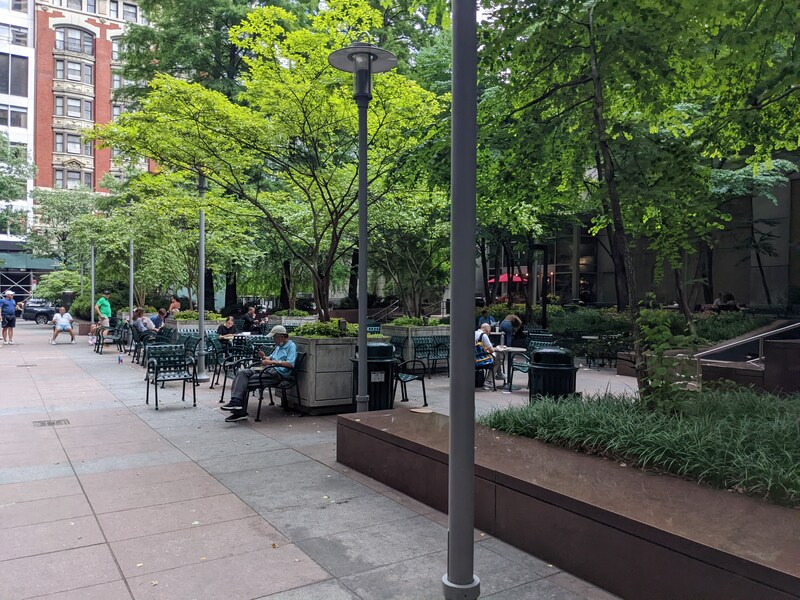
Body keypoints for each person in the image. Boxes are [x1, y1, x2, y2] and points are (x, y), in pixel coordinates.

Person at [220, 325, 296, 422]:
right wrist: (264, 357)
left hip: (276, 374)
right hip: (266, 369)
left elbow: (291, 364)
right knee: (242, 373)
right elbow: (270, 358)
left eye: (274, 337)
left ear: (280, 336)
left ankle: (239, 411)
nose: (273, 340)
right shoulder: (278, 346)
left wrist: (271, 362)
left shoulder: (291, 346)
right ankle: (236, 403)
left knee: (243, 382)